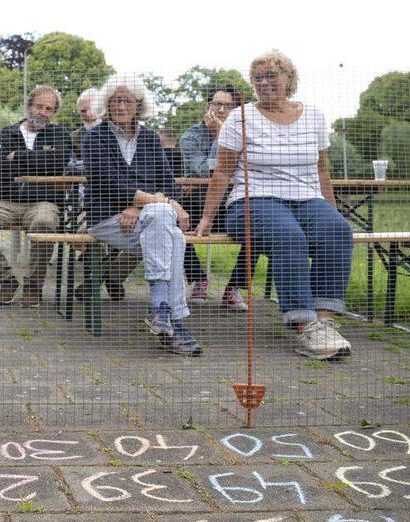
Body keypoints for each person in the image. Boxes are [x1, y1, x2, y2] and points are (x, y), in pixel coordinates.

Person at [195, 49, 354, 360]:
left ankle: (325, 322)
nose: (264, 82)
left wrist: (331, 210)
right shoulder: (240, 118)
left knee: (337, 229)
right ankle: (304, 326)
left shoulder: (315, 116)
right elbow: (223, 171)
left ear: (289, 78)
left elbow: (322, 169)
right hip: (252, 201)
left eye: (271, 75)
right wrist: (206, 218)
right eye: (257, 78)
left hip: (307, 199)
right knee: (288, 234)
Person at [83, 75, 201, 356]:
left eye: (127, 100)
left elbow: (167, 182)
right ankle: (174, 319)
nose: (121, 105)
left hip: (147, 219)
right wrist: (154, 202)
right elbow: (105, 182)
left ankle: (163, 314)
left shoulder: (149, 137)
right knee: (171, 233)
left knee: (167, 231)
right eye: (115, 100)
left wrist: (140, 207)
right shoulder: (94, 138)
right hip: (107, 219)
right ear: (106, 104)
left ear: (138, 105)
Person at [0, 85, 73, 308]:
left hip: (44, 201)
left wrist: (18, 157)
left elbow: (59, 161)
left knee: (44, 223)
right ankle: (6, 280)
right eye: (39, 106)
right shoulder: (6, 133)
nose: (43, 112)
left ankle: (34, 287)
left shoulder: (60, 133)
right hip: (6, 200)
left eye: (49, 109)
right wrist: (40, 159)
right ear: (28, 106)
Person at [180, 85, 255, 310]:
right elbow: (206, 170)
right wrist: (224, 138)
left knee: (260, 226)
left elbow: (249, 169)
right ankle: (198, 279)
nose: (221, 109)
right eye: (216, 104)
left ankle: (234, 288)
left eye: (228, 106)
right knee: (173, 224)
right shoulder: (190, 136)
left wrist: (226, 135)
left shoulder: (247, 135)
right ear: (208, 106)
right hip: (197, 204)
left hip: (232, 203)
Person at [69, 87, 102, 156]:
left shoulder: (115, 130)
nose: (88, 113)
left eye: (91, 108)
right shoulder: (73, 138)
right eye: (83, 111)